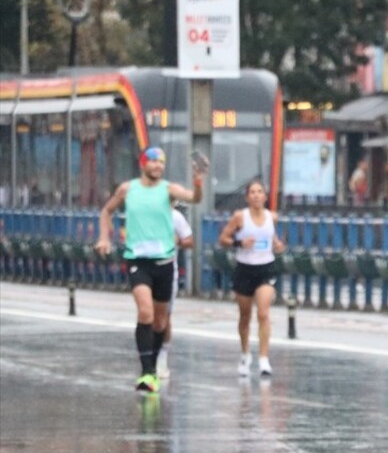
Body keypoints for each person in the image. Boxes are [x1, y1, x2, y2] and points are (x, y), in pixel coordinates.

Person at [95, 146, 205, 393]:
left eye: (162, 163)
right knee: (145, 313)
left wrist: (198, 182)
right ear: (142, 163)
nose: (158, 166)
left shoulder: (168, 190)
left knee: (160, 320)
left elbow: (195, 199)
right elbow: (107, 211)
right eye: (153, 162)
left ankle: (153, 367)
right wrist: (104, 237)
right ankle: (146, 373)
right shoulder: (128, 189)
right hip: (138, 261)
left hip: (164, 262)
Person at [217, 180, 285, 377]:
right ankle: (245, 353)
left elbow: (272, 238)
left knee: (263, 313)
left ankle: (264, 358)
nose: (256, 195)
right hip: (245, 268)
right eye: (252, 192)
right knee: (245, 316)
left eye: (260, 192)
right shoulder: (240, 217)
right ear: (247, 197)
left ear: (265, 196)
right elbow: (223, 239)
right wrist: (239, 242)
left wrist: (278, 245)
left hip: (266, 268)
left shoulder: (272, 217)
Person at [155, 207, 197, 379]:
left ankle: (162, 357)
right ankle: (148, 357)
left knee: (164, 316)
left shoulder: (175, 216)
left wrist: (178, 241)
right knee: (147, 314)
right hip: (145, 269)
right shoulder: (145, 213)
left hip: (167, 271)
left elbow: (190, 241)